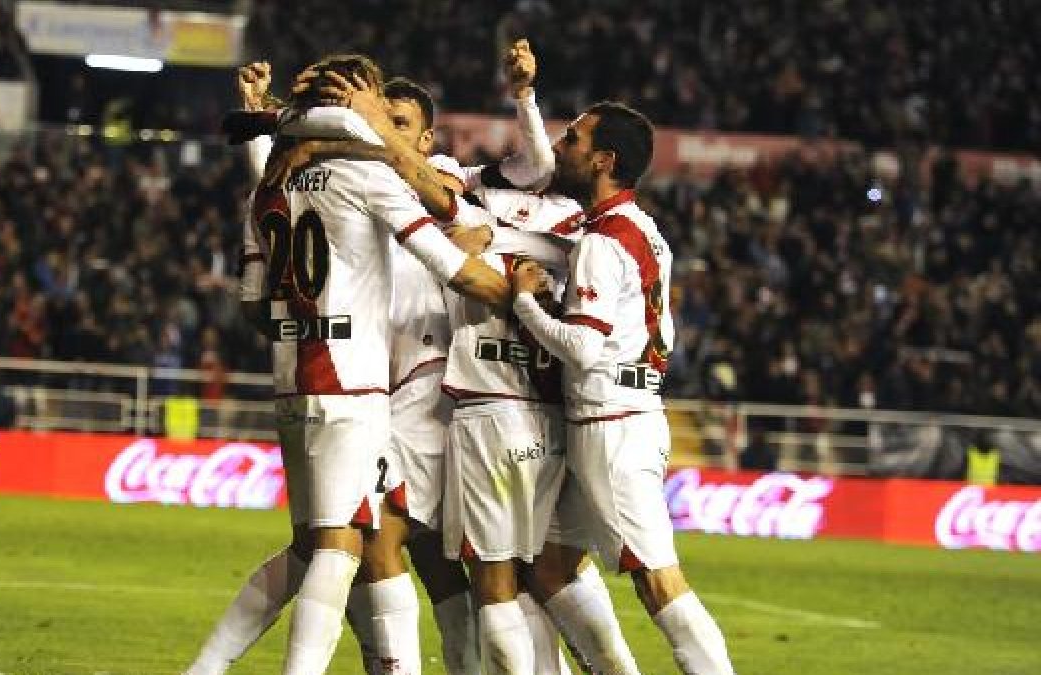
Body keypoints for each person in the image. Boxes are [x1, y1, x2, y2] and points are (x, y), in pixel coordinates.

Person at [253, 53, 510, 675]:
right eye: (372, 113)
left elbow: (461, 220)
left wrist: (517, 295)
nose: (372, 126)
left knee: (368, 539)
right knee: (423, 557)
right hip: (367, 384)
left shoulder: (431, 173)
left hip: (422, 389)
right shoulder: (349, 175)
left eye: (394, 119)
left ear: (425, 137)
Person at [511, 102, 736, 675]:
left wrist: (523, 303)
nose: (560, 148)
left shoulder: (603, 241)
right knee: (549, 565)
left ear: (603, 160)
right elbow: (668, 333)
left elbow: (582, 347)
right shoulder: (641, 229)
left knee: (658, 580)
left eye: (573, 140)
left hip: (611, 425)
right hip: (622, 412)